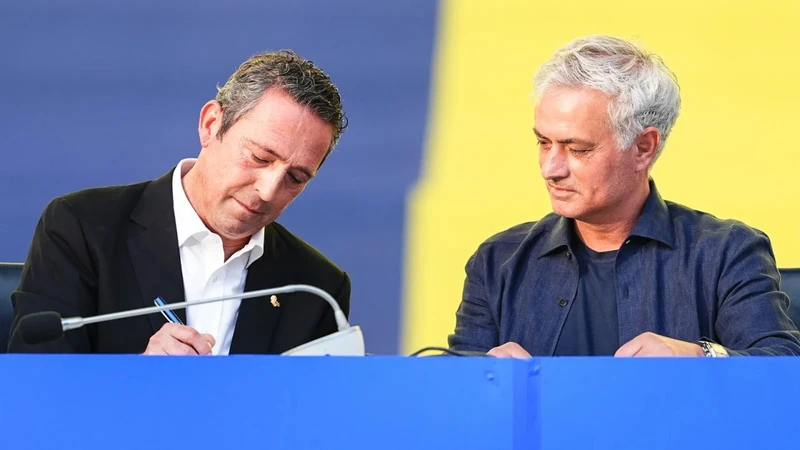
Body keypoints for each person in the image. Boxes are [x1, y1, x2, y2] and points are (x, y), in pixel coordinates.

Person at [448, 35, 800, 357]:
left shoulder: (725, 252)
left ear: (643, 147)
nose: (550, 168)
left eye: (577, 149)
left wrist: (700, 356)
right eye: (543, 142)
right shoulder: (498, 261)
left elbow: (782, 366)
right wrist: (479, 378)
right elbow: (448, 390)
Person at [8, 50, 351, 355]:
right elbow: (34, 389)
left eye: (296, 178)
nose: (268, 190)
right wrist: (139, 378)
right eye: (260, 157)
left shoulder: (317, 288)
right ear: (211, 125)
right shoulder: (81, 228)